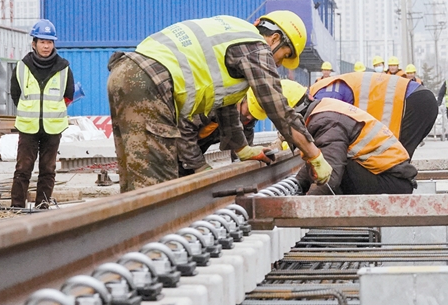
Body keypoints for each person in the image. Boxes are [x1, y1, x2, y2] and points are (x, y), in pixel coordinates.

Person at [107, 11, 331, 192]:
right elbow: (278, 108)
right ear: (275, 39)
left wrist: (243, 149)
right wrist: (314, 155)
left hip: (127, 73)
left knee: (137, 183)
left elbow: (225, 106)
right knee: (158, 189)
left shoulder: (234, 33)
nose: (280, 64)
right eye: (284, 55)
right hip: (151, 83)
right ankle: (153, 246)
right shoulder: (256, 47)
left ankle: (131, 244)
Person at [278, 81, 417, 196]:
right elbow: (319, 157)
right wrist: (299, 183)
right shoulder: (323, 111)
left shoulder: (327, 122)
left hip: (392, 183)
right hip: (391, 179)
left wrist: (306, 204)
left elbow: (330, 173)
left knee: (331, 172)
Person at [10, 19, 75, 209]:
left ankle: (42, 208)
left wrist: (53, 112)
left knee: (48, 170)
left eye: (49, 42)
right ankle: (17, 208)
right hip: (28, 127)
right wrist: (30, 112)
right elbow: (15, 94)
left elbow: (68, 95)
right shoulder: (22, 66)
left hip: (53, 128)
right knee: (23, 169)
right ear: (34, 43)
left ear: (54, 44)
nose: (46, 46)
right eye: (42, 42)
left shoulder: (63, 68)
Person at [309, 70, 438, 158]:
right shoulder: (324, 89)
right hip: (419, 100)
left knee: (396, 159)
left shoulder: (323, 94)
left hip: (415, 102)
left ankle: (399, 195)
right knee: (397, 157)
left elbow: (330, 132)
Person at [176, 96, 256, 176]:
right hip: (175, 144)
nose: (249, 117)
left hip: (193, 150)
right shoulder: (212, 109)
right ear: (241, 102)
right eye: (248, 111)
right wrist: (199, 166)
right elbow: (183, 132)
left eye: (254, 116)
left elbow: (241, 150)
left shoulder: (247, 121)